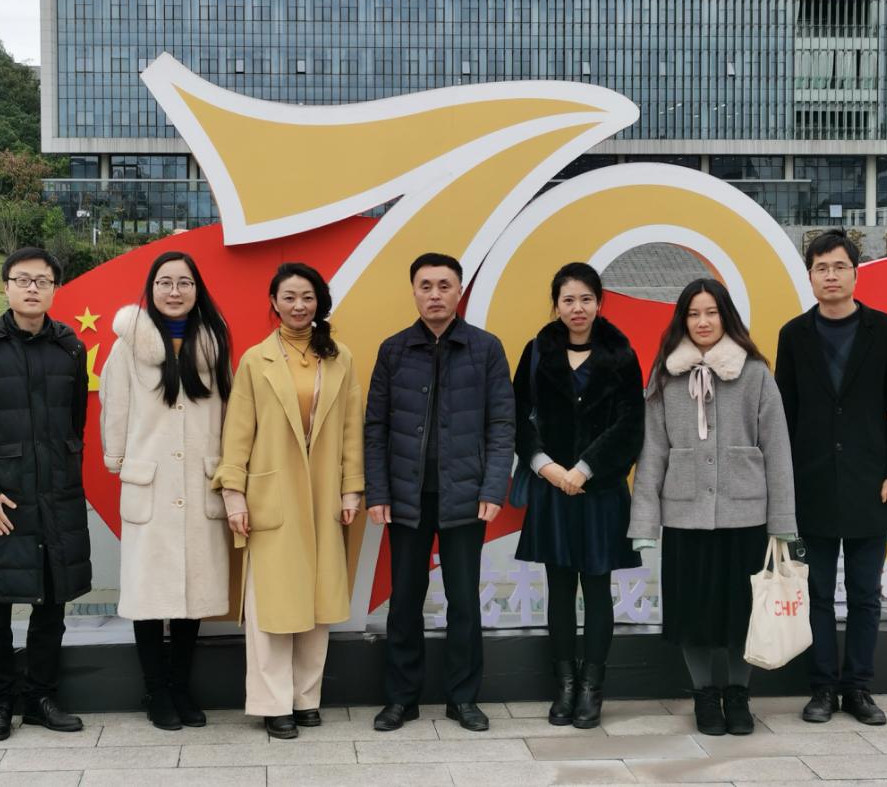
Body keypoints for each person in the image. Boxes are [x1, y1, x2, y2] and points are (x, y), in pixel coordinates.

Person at [629, 278, 796, 736]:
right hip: (685, 515)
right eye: (693, 314)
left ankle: (738, 694)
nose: (702, 322)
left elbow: (778, 449)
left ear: (726, 317)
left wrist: (783, 520)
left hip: (746, 515)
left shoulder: (755, 372)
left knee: (743, 613)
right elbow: (652, 450)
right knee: (693, 613)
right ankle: (704, 695)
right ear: (682, 320)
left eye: (711, 312)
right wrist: (645, 522)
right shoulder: (665, 374)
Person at [364, 252, 515, 733]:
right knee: (405, 599)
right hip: (406, 497)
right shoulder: (394, 350)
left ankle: (463, 699)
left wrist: (493, 486)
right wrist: (377, 491)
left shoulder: (485, 348)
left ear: (459, 291)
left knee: (464, 601)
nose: (435, 295)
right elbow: (375, 427)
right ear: (414, 291)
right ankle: (400, 699)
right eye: (425, 286)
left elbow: (502, 424)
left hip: (466, 496)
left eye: (444, 286)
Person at [215, 262, 364, 739]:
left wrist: (351, 488)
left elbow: (351, 429)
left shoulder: (340, 357)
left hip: (324, 496)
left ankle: (305, 699)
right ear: (274, 302)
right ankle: (271, 702)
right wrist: (234, 496)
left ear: (319, 302)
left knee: (317, 605)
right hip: (270, 495)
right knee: (272, 606)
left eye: (307, 297)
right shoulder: (255, 360)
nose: (299, 306)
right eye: (289, 297)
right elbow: (237, 433)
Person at [0, 247, 91, 742]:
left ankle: (41, 699)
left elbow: (75, 422)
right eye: (23, 279)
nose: (33, 288)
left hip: (56, 494)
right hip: (2, 500)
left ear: (55, 288)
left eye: (42, 281)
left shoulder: (70, 347)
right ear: (6, 286)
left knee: (52, 605)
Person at [775, 228, 887, 727]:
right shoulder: (794, 335)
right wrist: (783, 481)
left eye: (839, 267)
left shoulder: (885, 330)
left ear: (855, 273)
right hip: (810, 483)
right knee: (814, 594)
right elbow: (783, 413)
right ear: (810, 276)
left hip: (870, 483)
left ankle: (857, 688)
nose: (830, 276)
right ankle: (821, 688)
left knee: (863, 594)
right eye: (821, 268)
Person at [99, 251, 233, 730]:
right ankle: (156, 691)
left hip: (201, 482)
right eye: (164, 282)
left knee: (193, 595)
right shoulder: (127, 346)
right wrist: (118, 460)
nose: (174, 291)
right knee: (150, 596)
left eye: (184, 282)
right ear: (151, 288)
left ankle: (181, 688)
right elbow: (114, 407)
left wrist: (229, 468)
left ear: (197, 289)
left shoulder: (213, 344)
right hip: (150, 485)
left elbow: (228, 413)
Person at [512, 262, 644, 729]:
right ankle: (565, 685)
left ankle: (592, 686)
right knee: (560, 588)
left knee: (598, 588)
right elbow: (517, 416)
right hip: (552, 489)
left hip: (600, 490)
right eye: (568, 300)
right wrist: (545, 465)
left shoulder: (621, 354)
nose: (577, 308)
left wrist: (585, 468)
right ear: (556, 305)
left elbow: (631, 425)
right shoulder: (536, 352)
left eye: (586, 299)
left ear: (599, 302)